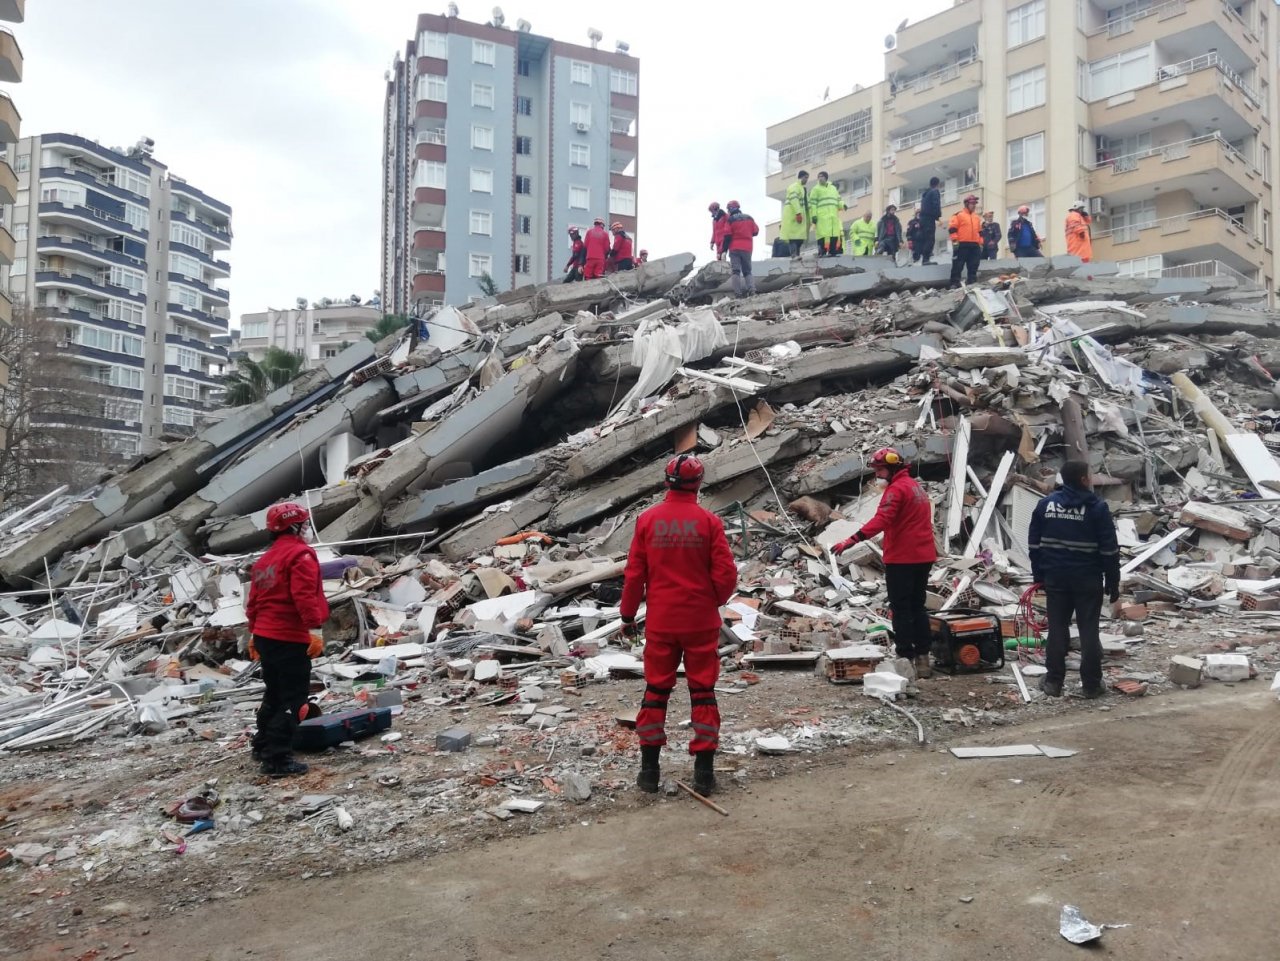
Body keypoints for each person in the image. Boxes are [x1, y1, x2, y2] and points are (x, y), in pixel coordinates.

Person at [620, 454, 738, 795]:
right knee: (703, 692)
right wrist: (712, 600)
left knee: (656, 693)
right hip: (700, 620)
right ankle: (703, 775)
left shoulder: (647, 520)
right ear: (698, 483)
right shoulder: (709, 522)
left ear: (665, 480)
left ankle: (648, 773)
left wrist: (628, 615)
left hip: (661, 622)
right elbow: (726, 574)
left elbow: (634, 575)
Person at [832, 448, 938, 678]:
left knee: (901, 609)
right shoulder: (914, 486)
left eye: (880, 469)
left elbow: (882, 519)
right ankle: (923, 659)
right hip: (923, 556)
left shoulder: (896, 490)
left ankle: (905, 659)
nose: (878, 474)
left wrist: (852, 539)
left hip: (903, 558)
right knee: (917, 607)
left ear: (892, 467)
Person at [246, 502, 329, 778]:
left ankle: (261, 744)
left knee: (274, 693)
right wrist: (314, 629)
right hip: (289, 636)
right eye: (304, 524)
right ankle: (277, 758)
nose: (307, 529)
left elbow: (254, 602)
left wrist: (253, 633)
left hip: (265, 636)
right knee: (294, 699)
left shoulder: (265, 560)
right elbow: (304, 596)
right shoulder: (300, 555)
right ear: (294, 526)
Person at [1027, 461, 1120, 699]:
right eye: (1089, 475)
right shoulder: (1097, 508)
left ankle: (1053, 682)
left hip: (1056, 578)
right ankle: (1091, 685)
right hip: (1087, 579)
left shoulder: (1045, 505)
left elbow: (1034, 545)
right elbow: (1109, 549)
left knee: (1057, 629)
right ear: (1082, 480)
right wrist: (1112, 580)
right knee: (1089, 630)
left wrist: (1039, 575)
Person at [947, 194, 984, 289]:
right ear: (966, 204)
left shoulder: (977, 217)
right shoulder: (958, 215)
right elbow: (952, 229)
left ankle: (972, 281)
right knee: (958, 265)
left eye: (975, 203)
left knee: (974, 265)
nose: (974, 205)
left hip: (974, 244)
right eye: (972, 203)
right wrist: (955, 241)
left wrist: (981, 243)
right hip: (962, 243)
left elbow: (980, 232)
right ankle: (954, 283)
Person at [725, 199, 758, 297]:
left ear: (730, 209)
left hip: (734, 248)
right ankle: (752, 290)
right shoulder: (749, 218)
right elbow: (756, 231)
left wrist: (723, 250)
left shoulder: (730, 220)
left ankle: (738, 294)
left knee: (735, 271)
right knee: (747, 271)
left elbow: (727, 236)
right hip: (747, 248)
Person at [809, 171, 846, 257]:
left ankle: (833, 251)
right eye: (819, 177)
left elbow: (838, 200)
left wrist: (843, 205)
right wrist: (814, 215)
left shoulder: (833, 188)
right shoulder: (815, 189)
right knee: (822, 235)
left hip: (833, 216)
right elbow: (813, 203)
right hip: (821, 216)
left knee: (834, 234)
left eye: (822, 176)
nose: (820, 178)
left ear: (826, 178)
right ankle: (821, 251)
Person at [780, 169, 811, 257]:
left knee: (799, 238)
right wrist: (798, 213)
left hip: (799, 216)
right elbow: (794, 200)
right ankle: (794, 254)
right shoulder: (794, 187)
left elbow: (806, 203)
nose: (806, 180)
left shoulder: (802, 188)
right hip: (793, 216)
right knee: (793, 238)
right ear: (801, 177)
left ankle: (796, 254)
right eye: (806, 177)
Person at [917, 176, 942, 264]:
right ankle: (926, 259)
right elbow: (936, 204)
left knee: (925, 238)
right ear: (938, 184)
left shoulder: (926, 194)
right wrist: (938, 216)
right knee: (930, 239)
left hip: (922, 219)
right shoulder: (935, 192)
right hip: (929, 219)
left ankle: (925, 258)